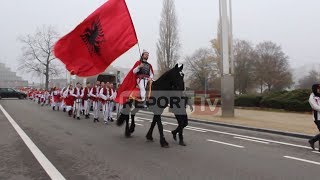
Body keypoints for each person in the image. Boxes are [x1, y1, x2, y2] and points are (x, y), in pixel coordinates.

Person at [308, 84, 320, 151]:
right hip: (317, 118)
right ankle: (312, 140)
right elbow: (314, 106)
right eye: (318, 88)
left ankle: (312, 140)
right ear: (315, 89)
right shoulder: (312, 97)